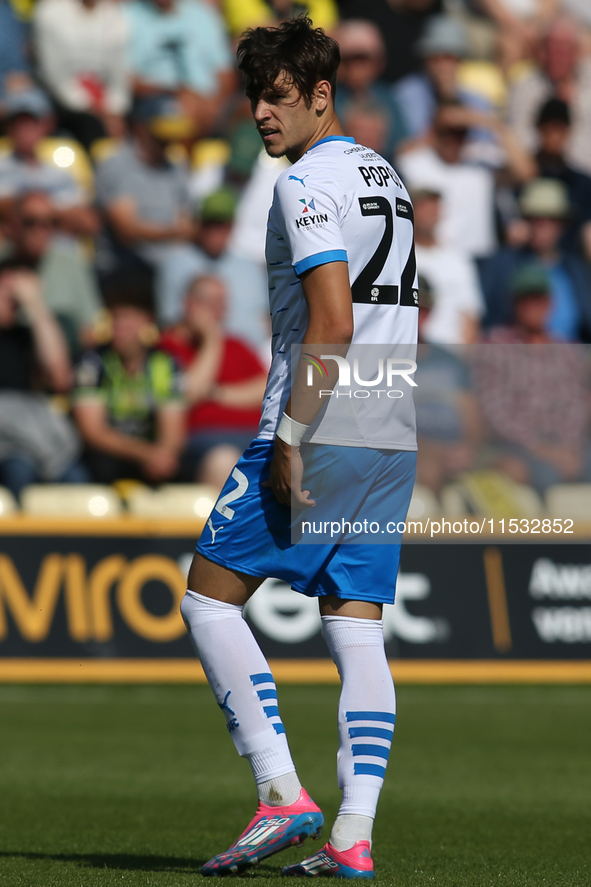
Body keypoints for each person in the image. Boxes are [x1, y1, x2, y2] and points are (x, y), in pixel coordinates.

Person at [180, 17, 418, 879]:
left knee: (208, 599)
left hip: (320, 420)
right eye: (253, 96)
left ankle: (283, 794)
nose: (259, 113)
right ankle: (352, 836)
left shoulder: (303, 184)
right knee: (356, 630)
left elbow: (332, 321)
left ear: (321, 95)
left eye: (278, 96)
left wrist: (290, 436)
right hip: (389, 421)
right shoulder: (382, 171)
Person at [474, 262, 591, 492]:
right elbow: (495, 411)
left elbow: (578, 404)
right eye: (525, 300)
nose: (532, 306)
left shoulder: (568, 351)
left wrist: (567, 447)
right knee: (541, 474)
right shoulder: (496, 346)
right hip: (517, 446)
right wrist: (540, 448)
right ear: (514, 303)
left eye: (538, 299)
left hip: (567, 444)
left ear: (550, 303)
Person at [94, 96, 200, 325]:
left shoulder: (176, 167)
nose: (168, 141)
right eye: (161, 134)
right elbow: (127, 230)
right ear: (141, 129)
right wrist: (173, 232)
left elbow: (188, 223)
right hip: (125, 267)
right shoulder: (117, 165)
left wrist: (178, 233)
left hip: (169, 264)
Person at [73, 273, 185, 484]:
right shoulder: (92, 363)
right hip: (106, 458)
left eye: (129, 320)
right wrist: (146, 454)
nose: (120, 329)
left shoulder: (165, 364)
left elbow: (173, 431)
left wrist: (162, 456)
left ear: (148, 323)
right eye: (116, 319)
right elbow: (93, 432)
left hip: (151, 459)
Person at [160, 274, 267, 489]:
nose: (220, 310)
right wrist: (211, 340)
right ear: (189, 304)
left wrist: (215, 393)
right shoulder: (167, 348)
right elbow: (187, 394)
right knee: (224, 461)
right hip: (205, 442)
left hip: (257, 436)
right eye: (211, 302)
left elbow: (267, 389)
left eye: (222, 303)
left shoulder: (238, 345)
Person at [0, 256, 88, 499]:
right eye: (8, 291)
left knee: (76, 478)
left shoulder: (27, 337)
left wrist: (36, 305)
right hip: (7, 445)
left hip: (34, 438)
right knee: (19, 471)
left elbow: (59, 375)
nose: (14, 299)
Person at [478, 177, 591, 341]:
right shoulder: (501, 265)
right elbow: (487, 318)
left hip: (571, 358)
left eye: (551, 218)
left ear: (563, 224)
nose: (542, 225)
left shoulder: (576, 269)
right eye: (535, 218)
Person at [0, 191, 103, 355]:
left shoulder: (72, 263)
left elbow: (89, 331)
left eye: (52, 222)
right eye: (30, 222)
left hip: (62, 361)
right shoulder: (3, 260)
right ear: (13, 224)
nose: (41, 230)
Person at [0, 89, 98, 238]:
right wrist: (54, 211)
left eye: (31, 123)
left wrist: (35, 209)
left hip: (57, 249)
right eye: (18, 124)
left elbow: (87, 222)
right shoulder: (2, 167)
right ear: (9, 128)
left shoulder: (59, 173)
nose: (24, 130)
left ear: (44, 126)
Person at [32, 0, 131, 149]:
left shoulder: (114, 14)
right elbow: (52, 74)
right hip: (62, 98)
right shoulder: (49, 12)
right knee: (91, 126)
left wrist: (116, 107)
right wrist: (93, 107)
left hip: (104, 98)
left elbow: (119, 69)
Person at [412, 186, 484, 343]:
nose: (430, 212)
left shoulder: (458, 258)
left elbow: (470, 314)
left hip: (449, 355)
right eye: (424, 207)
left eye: (434, 206)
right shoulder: (401, 256)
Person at [534, 97, 591, 260]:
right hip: (526, 264)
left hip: (568, 265)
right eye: (548, 127)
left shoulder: (582, 182)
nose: (553, 135)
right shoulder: (525, 177)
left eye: (559, 128)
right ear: (539, 128)